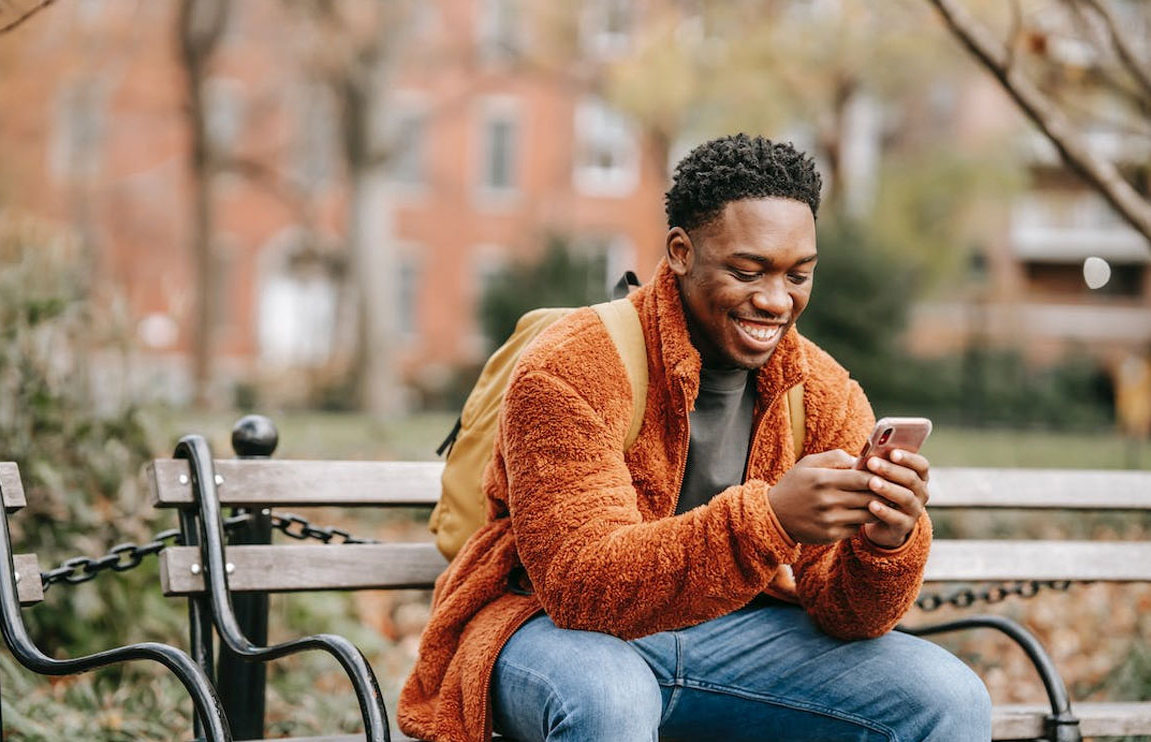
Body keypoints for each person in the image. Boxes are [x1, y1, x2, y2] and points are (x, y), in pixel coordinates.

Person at [399, 134, 991, 742]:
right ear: (681, 252)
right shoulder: (572, 364)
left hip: (732, 637)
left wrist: (884, 541)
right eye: (746, 271)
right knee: (611, 697)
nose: (775, 300)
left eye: (799, 275)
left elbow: (847, 613)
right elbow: (582, 588)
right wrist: (772, 519)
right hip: (547, 631)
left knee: (948, 698)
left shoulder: (823, 390)